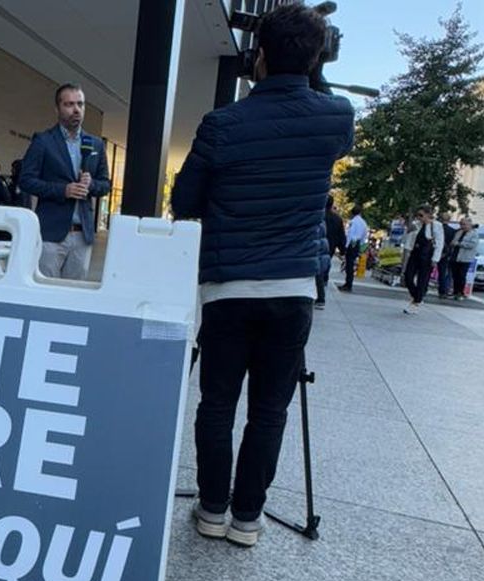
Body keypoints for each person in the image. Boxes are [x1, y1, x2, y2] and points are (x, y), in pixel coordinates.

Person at [170, 3, 353, 547]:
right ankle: (248, 519)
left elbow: (184, 202)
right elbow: (314, 107)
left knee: (218, 405)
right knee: (269, 411)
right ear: (317, 58)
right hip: (293, 288)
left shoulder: (223, 123)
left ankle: (212, 509)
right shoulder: (335, 116)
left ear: (258, 56)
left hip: (229, 287)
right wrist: (308, 68)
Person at [19, 83, 111, 279]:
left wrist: (91, 184)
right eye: (69, 104)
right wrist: (63, 190)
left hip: (82, 235)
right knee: (46, 295)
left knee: (75, 297)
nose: (76, 109)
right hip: (51, 234)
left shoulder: (95, 144)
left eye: (80, 104)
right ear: (57, 109)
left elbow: (105, 184)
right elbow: (26, 180)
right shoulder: (43, 141)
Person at [401, 205, 445, 314]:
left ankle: (416, 301)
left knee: (422, 280)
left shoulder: (436, 226)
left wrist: (435, 259)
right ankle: (417, 297)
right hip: (415, 253)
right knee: (408, 276)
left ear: (428, 215)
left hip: (427, 255)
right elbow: (408, 240)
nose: (419, 217)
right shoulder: (416, 225)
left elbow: (439, 243)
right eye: (418, 215)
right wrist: (408, 232)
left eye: (421, 215)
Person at [316, 195, 345, 308]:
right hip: (330, 247)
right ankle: (323, 284)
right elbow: (341, 235)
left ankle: (320, 295)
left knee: (317, 270)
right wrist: (342, 250)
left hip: (318, 245)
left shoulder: (319, 216)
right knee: (324, 268)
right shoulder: (337, 219)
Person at [337, 205, 367, 292]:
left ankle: (348, 284)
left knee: (349, 264)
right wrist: (360, 245)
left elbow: (349, 234)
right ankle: (349, 283)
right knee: (351, 263)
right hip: (357, 244)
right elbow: (364, 235)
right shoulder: (363, 222)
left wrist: (346, 246)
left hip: (351, 243)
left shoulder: (353, 222)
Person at [450, 217, 479, 300]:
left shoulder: (474, 234)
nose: (462, 226)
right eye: (461, 224)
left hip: (465, 258)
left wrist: (459, 244)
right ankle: (455, 292)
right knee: (455, 275)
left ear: (469, 225)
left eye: (464, 224)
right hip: (455, 257)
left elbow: (472, 245)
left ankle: (460, 292)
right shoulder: (459, 232)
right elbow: (453, 241)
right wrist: (453, 244)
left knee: (462, 276)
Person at [437, 218, 459, 297]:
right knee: (442, 273)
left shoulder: (437, 228)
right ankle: (442, 291)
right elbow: (452, 244)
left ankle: (424, 288)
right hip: (445, 254)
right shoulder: (452, 231)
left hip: (435, 252)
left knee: (427, 271)